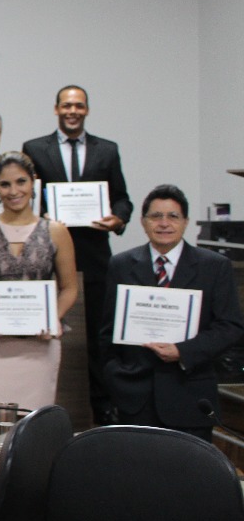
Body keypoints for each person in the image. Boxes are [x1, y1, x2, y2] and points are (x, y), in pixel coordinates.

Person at [22, 85, 132, 425]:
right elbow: (28, 198)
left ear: (86, 110)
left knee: (98, 338)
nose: (72, 111)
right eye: (66, 105)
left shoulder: (107, 150)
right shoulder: (34, 148)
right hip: (48, 254)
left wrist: (118, 218)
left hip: (94, 255)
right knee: (46, 332)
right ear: (56, 109)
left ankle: (102, 413)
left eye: (79, 106)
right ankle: (43, 413)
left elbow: (122, 198)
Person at [99, 184, 244, 442]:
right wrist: (115, 376)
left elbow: (230, 327)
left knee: (186, 478)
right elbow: (107, 333)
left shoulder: (214, 266)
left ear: (186, 222)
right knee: (136, 476)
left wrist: (183, 352)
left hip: (190, 395)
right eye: (156, 216)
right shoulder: (121, 265)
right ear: (143, 223)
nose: (164, 223)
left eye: (173, 216)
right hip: (134, 397)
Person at [0, 152, 77, 427]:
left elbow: (70, 288)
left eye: (21, 182)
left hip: (39, 346)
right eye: (5, 184)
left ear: (34, 182)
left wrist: (52, 318)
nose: (14, 191)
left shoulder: (55, 230)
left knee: (32, 435)